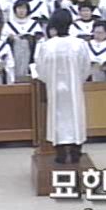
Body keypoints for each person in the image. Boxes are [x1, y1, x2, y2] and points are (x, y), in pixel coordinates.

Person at [35, 11, 91, 164]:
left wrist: (51, 81)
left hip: (55, 89)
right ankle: (75, 152)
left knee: (57, 117)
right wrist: (76, 81)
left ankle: (60, 153)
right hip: (73, 88)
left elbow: (41, 70)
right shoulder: (79, 44)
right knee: (75, 116)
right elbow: (85, 68)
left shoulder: (47, 46)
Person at [1, 0, 44, 79]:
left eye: (24, 8)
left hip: (30, 54)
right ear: (15, 10)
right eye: (19, 8)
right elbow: (3, 40)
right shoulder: (9, 25)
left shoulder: (34, 24)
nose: (21, 11)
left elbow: (40, 40)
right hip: (14, 54)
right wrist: (10, 39)